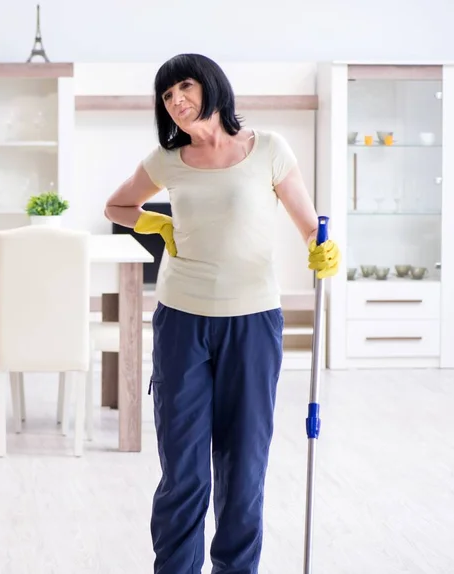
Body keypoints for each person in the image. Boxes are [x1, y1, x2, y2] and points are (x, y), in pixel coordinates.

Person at [104, 53, 340, 574]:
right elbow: (115, 208)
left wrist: (321, 248)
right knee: (184, 469)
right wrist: (157, 225)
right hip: (181, 323)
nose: (177, 102)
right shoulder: (167, 159)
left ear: (211, 86)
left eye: (184, 87)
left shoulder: (269, 149)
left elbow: (308, 224)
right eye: (167, 96)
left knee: (244, 466)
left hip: (253, 323)